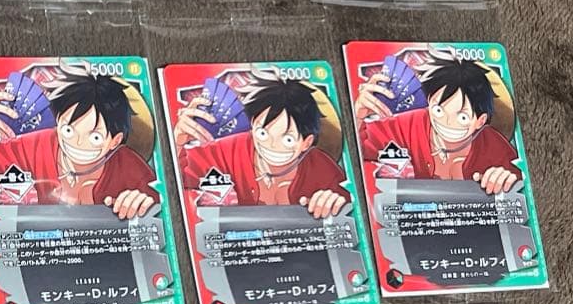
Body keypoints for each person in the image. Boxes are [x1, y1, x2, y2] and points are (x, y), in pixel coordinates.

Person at [0, 68, 158, 219]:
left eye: (95, 137)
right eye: (68, 130)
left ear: (115, 141)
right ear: (58, 121)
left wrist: (143, 204)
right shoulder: (34, 147)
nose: (77, 142)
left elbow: (160, 207)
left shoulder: (130, 168)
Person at [175, 77, 349, 218]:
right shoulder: (227, 151)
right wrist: (177, 141)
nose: (271, 145)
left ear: (307, 142)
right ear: (252, 124)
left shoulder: (322, 169)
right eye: (263, 133)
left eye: (288, 139)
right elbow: (177, 177)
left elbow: (350, 204)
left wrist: (334, 203)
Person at [354, 56, 519, 193]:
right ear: (429, 102)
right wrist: (357, 116)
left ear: (480, 121)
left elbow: (519, 180)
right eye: (438, 110)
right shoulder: (411, 124)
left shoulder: (493, 146)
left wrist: (505, 179)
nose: (446, 122)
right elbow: (361, 147)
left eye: (462, 117)